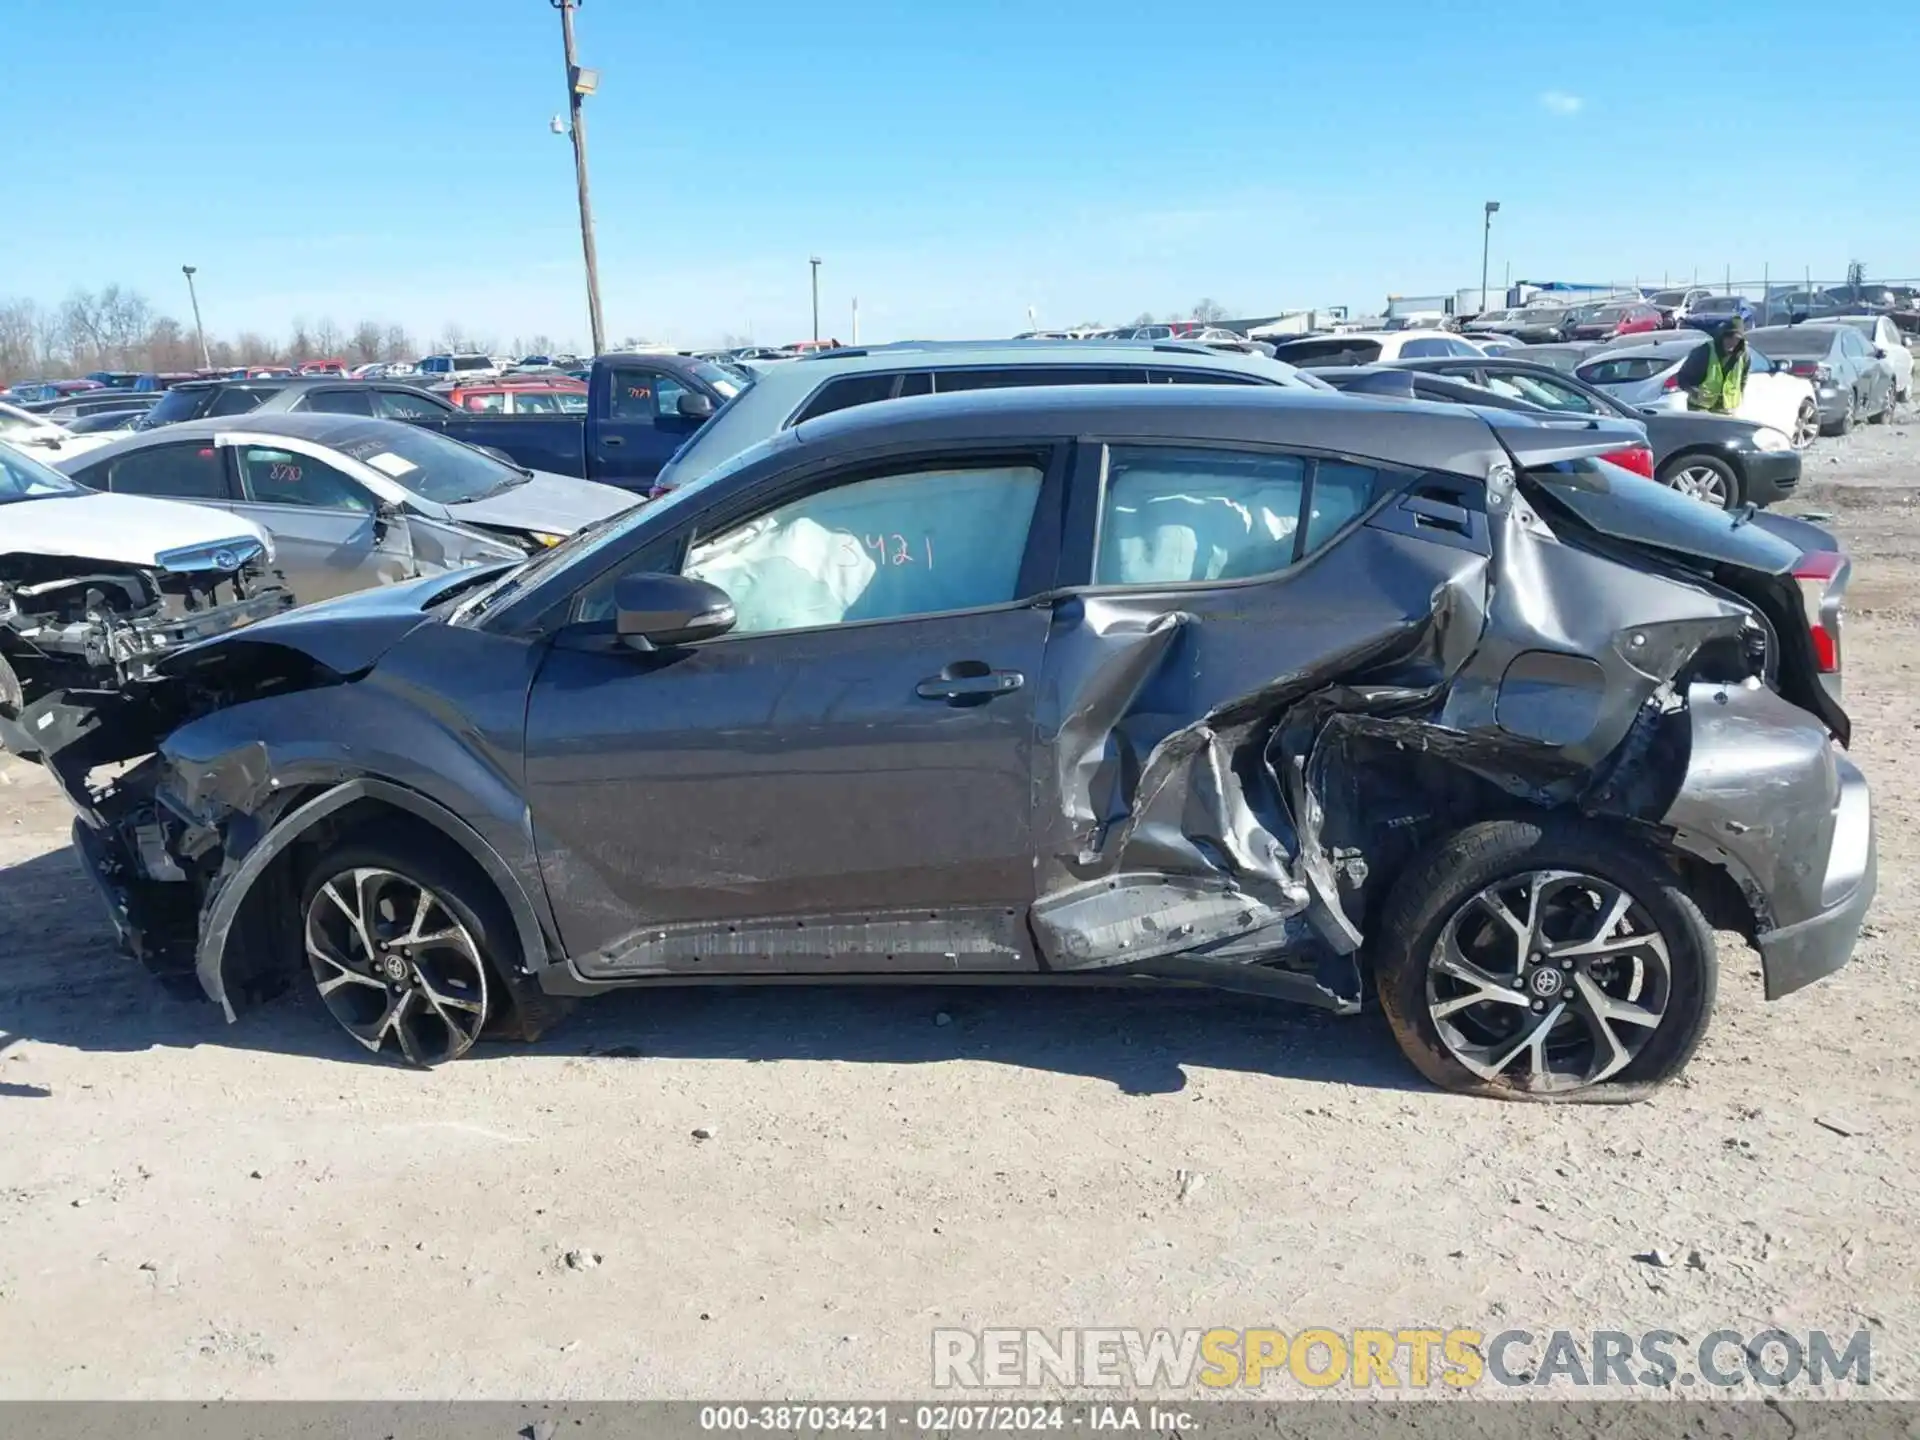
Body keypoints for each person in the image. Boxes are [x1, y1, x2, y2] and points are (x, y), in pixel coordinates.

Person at [1675, 316, 1749, 414]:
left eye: (1736, 339)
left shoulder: (1743, 354)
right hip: (1700, 407)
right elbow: (1682, 377)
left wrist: (1740, 395)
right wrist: (1693, 391)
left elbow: (1743, 378)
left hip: (1727, 408)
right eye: (1728, 337)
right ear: (1722, 336)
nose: (1731, 342)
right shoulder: (1704, 351)